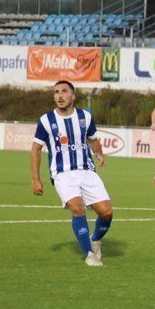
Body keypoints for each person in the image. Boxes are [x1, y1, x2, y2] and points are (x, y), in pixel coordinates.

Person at [31, 81, 113, 267]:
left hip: (86, 170)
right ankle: (89, 255)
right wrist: (36, 178)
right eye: (56, 92)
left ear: (73, 96)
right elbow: (36, 148)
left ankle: (95, 240)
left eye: (64, 91)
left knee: (107, 213)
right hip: (62, 173)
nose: (60, 95)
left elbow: (93, 140)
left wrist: (98, 152)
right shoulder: (46, 120)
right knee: (77, 208)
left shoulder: (85, 117)